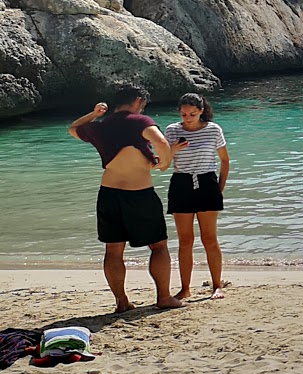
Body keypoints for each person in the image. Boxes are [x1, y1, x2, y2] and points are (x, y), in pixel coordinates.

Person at [68, 85, 182, 312]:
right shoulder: (139, 121)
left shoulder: (101, 126)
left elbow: (73, 129)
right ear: (138, 101)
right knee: (158, 246)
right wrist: (166, 162)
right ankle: (164, 297)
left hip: (109, 193)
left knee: (113, 249)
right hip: (140, 194)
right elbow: (160, 142)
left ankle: (122, 302)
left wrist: (95, 114)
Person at [164, 92, 229, 300]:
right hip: (181, 183)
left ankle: (217, 285)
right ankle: (185, 288)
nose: (187, 117)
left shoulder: (213, 130)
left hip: (206, 182)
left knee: (209, 239)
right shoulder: (172, 130)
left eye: (192, 113)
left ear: (201, 111)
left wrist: (219, 188)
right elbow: (162, 164)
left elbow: (225, 161)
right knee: (185, 241)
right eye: (183, 114)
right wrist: (172, 149)